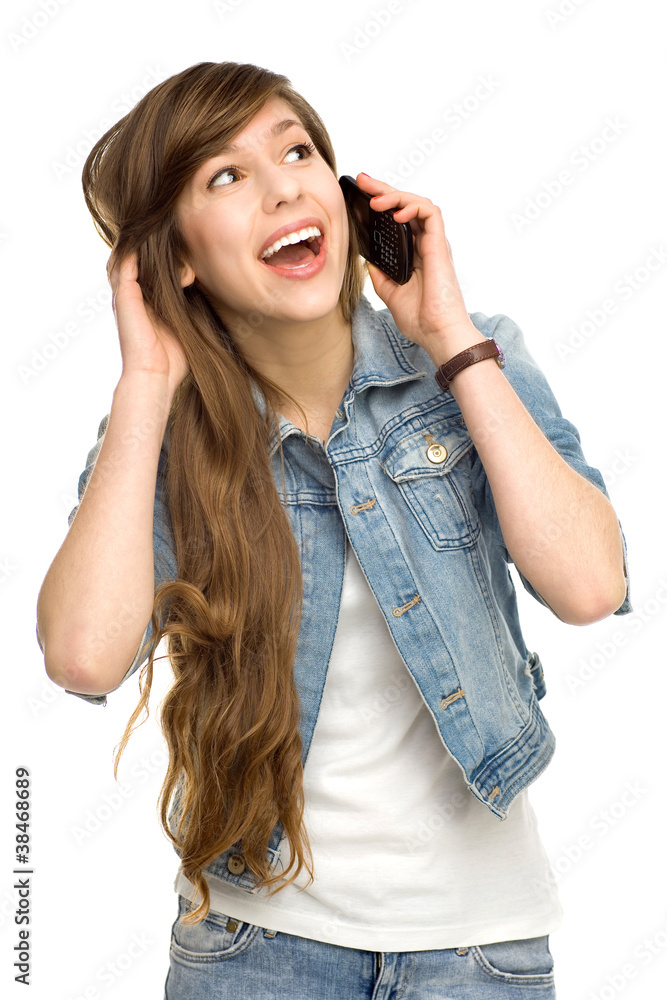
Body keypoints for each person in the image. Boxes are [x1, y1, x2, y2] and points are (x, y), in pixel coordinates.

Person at [36, 61, 630, 999]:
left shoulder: (474, 357)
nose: (281, 186)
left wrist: (448, 338)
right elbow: (82, 657)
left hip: (483, 953)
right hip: (254, 949)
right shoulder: (164, 430)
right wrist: (145, 384)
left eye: (297, 150)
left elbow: (591, 587)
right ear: (175, 260)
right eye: (224, 177)